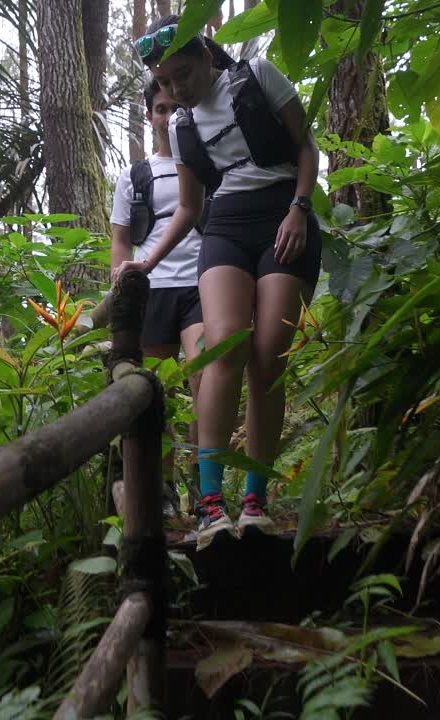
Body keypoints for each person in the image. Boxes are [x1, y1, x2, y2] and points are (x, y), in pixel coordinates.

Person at [116, 15, 321, 549]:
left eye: (182, 74)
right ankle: (211, 504)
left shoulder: (257, 77)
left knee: (269, 356)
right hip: (226, 226)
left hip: (283, 216)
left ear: (207, 55)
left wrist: (300, 207)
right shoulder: (183, 127)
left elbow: (306, 146)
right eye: (165, 82)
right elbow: (189, 208)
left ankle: (256, 499)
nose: (176, 89)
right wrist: (147, 262)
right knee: (225, 349)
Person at [109, 79, 206, 516]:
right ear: (149, 116)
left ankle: (208, 490)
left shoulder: (203, 162)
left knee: (207, 382)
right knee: (157, 395)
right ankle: (162, 492)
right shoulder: (135, 175)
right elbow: (121, 239)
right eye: (160, 109)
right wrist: (122, 288)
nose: (169, 116)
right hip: (154, 289)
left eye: (174, 107)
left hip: (202, 285)